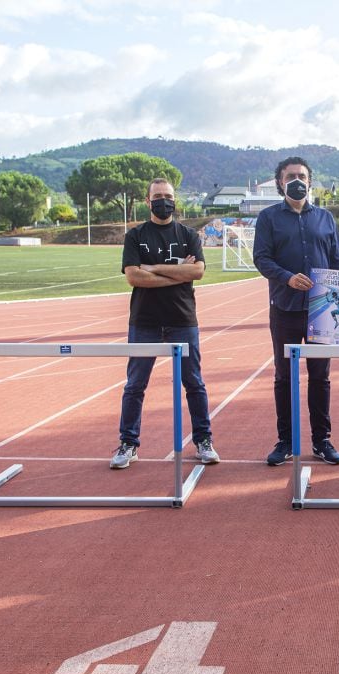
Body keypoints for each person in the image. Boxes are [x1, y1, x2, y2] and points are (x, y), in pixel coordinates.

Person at [110, 178, 218, 469]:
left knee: (194, 383)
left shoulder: (188, 235)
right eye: (157, 196)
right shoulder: (136, 236)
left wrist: (155, 268)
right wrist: (177, 271)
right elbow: (133, 277)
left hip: (182, 319)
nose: (163, 200)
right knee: (135, 385)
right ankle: (128, 443)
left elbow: (197, 272)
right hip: (144, 320)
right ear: (148, 201)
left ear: (175, 199)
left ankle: (203, 441)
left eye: (168, 196)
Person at [253, 157, 339, 467]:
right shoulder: (268, 218)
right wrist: (287, 277)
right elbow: (262, 259)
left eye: (302, 175)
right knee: (284, 376)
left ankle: (322, 441)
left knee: (320, 377)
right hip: (285, 307)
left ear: (310, 180)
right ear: (280, 182)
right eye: (290, 176)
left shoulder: (325, 218)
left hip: (322, 310)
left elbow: (338, 262)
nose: (297, 180)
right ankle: (286, 441)